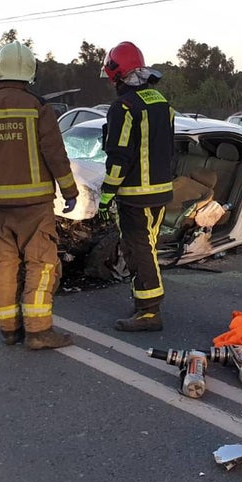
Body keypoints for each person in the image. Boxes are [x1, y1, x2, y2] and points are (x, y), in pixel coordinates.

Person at [0, 41, 79, 350]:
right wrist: (69, 191)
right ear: (30, 71)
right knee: (41, 265)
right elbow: (55, 154)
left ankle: (9, 329)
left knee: (4, 266)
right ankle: (39, 331)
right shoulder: (38, 108)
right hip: (36, 206)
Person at [99, 41, 175, 332]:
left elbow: (119, 157)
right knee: (148, 246)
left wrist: (106, 194)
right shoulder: (161, 103)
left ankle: (149, 311)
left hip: (135, 195)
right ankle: (143, 300)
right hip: (160, 191)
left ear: (118, 74)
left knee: (139, 248)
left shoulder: (124, 107)